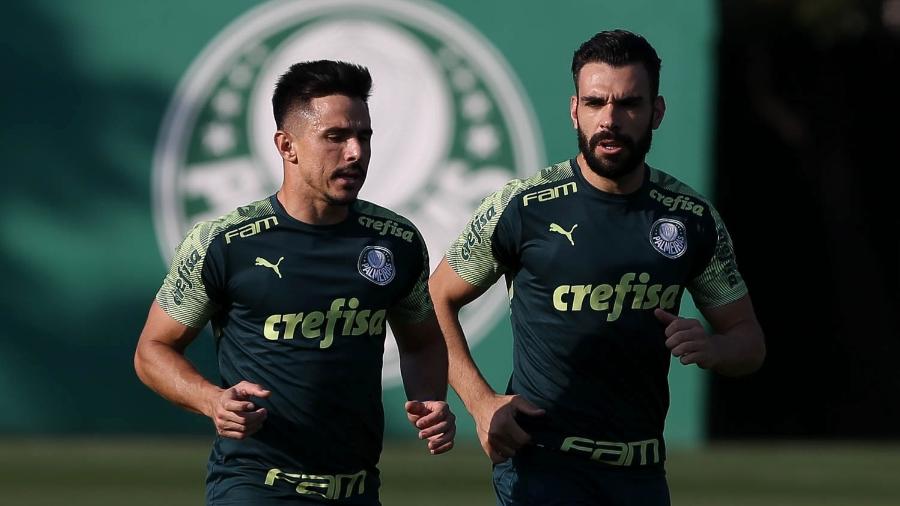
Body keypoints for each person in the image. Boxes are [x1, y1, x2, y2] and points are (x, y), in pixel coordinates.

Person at [429, 30, 765, 505]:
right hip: (540, 467)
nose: (610, 119)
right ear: (574, 110)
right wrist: (481, 403)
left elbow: (748, 342)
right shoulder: (522, 207)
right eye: (595, 102)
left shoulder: (690, 218)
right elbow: (434, 299)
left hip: (641, 474)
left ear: (658, 111)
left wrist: (713, 346)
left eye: (629, 103)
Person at [135, 60, 455, 506]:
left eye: (363, 136)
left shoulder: (396, 241)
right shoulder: (223, 243)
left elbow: (421, 341)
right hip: (253, 488)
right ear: (287, 146)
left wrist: (429, 400)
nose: (355, 152)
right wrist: (212, 401)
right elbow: (153, 350)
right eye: (336, 136)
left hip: (358, 491)